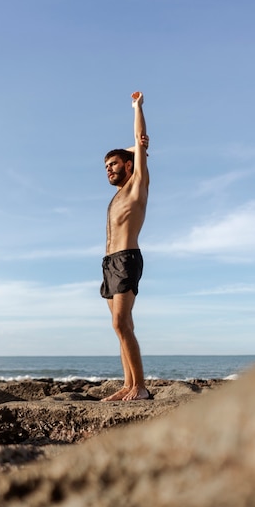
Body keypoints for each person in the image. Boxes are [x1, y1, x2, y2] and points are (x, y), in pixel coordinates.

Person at [100, 91, 151, 401]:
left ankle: (141, 387)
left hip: (126, 259)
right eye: (106, 165)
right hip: (109, 263)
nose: (109, 169)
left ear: (129, 165)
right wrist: (130, 151)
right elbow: (135, 147)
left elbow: (140, 138)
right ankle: (128, 384)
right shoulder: (117, 195)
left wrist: (137, 107)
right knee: (121, 325)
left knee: (121, 322)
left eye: (114, 163)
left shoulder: (137, 184)